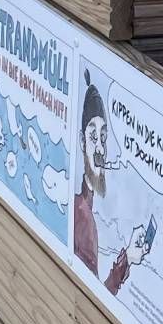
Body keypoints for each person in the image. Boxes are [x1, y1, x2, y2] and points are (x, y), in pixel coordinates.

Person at [73, 80, 107, 272]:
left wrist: (127, 257)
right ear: (82, 141)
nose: (100, 149)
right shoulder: (80, 210)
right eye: (93, 137)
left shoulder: (91, 207)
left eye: (103, 137)